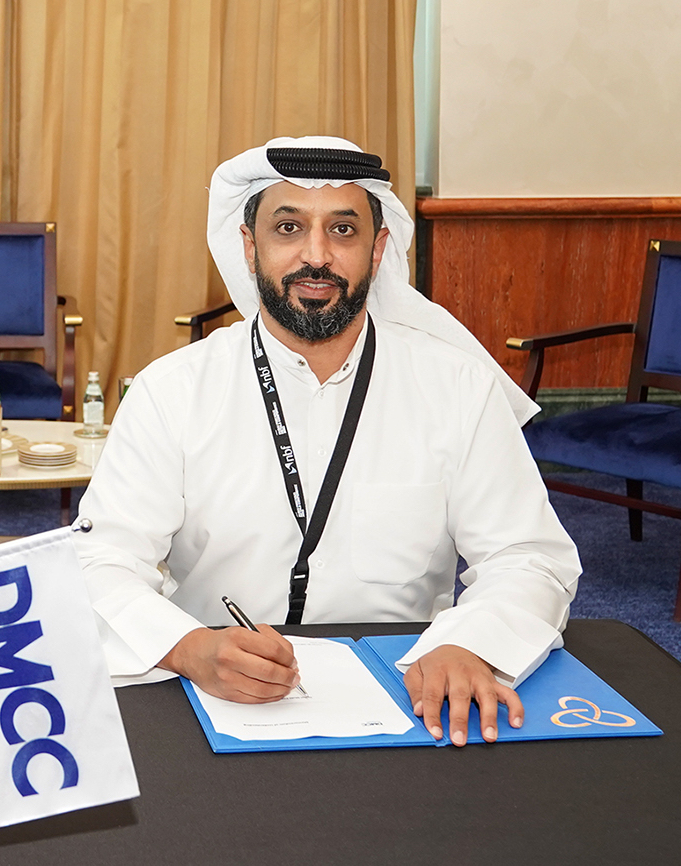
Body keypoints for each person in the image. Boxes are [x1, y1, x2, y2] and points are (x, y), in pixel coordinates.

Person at [75, 135, 580, 747]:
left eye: (343, 230)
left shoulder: (455, 387)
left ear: (378, 249)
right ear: (249, 246)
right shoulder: (172, 390)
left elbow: (527, 556)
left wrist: (469, 643)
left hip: (408, 702)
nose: (316, 256)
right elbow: (99, 560)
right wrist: (188, 648)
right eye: (288, 228)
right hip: (212, 696)